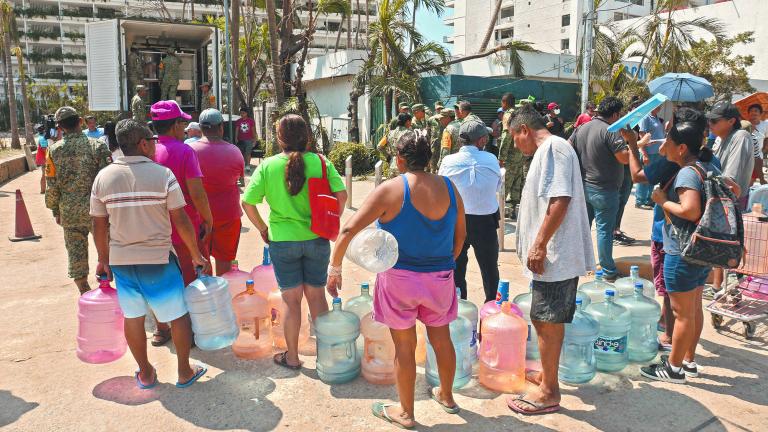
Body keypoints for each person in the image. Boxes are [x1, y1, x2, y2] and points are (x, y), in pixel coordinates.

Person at [327, 130, 466, 429]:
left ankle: (406, 413)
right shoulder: (450, 188)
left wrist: (335, 267)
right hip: (440, 277)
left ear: (400, 160)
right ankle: (447, 396)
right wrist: (444, 263)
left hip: (399, 280)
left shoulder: (391, 190)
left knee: (404, 347)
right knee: (441, 340)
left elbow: (349, 230)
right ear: (428, 157)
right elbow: (460, 236)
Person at [90, 118, 208, 390]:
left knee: (133, 317)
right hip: (158, 260)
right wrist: (195, 254)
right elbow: (180, 220)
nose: (155, 146)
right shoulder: (163, 175)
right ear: (143, 143)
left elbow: (99, 225)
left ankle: (145, 373)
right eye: (152, 141)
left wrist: (103, 259)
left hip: (122, 263)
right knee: (177, 315)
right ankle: (183, 371)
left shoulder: (103, 177)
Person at [242, 114, 347, 370]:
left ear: (279, 138)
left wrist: (262, 228)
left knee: (291, 301)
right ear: (307, 137)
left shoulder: (268, 166)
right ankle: (326, 356)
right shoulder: (321, 162)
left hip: (282, 242)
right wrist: (329, 220)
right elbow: (341, 196)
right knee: (316, 296)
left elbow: (248, 202)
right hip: (317, 238)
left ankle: (292, 357)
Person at [508, 104, 594, 414]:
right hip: (549, 256)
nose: (515, 145)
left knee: (546, 320)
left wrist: (540, 244)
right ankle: (547, 374)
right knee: (543, 317)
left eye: (513, 137)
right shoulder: (547, 152)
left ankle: (549, 392)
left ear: (524, 131)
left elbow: (561, 199)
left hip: (554, 256)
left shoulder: (555, 148)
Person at [640, 118, 719, 384]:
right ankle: (689, 360)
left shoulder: (686, 172)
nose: (666, 146)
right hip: (700, 250)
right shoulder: (706, 166)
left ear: (682, 147)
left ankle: (673, 369)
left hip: (681, 250)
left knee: (681, 313)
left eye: (669, 143)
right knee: (694, 309)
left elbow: (690, 210)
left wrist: (663, 201)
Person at [151, 100, 213, 346]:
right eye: (182, 123)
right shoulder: (185, 151)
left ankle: (161, 329)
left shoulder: (147, 151)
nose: (184, 127)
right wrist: (208, 219)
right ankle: (191, 331)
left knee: (159, 280)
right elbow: (196, 192)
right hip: (184, 225)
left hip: (155, 226)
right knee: (191, 277)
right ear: (176, 125)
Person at [45, 106, 112, 294]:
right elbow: (110, 181)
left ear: (59, 127)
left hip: (69, 213)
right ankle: (116, 294)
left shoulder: (53, 151)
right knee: (109, 253)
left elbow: (51, 184)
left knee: (76, 256)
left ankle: (85, 294)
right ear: (80, 121)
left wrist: (55, 210)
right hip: (98, 212)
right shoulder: (97, 146)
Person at [439, 120, 501, 302]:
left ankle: (459, 305)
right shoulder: (491, 159)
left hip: (455, 220)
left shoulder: (448, 161)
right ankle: (492, 305)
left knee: (456, 264)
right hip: (486, 221)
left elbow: (443, 187)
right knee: (489, 267)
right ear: (481, 141)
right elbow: (497, 186)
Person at [569, 96, 629, 282]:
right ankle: (608, 271)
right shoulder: (610, 131)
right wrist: (633, 144)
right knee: (604, 231)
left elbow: (569, 147)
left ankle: (576, 263)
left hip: (584, 187)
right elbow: (624, 158)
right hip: (605, 190)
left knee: (583, 228)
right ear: (616, 114)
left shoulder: (582, 128)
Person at [188, 109, 245, 276]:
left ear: (200, 128)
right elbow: (239, 178)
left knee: (200, 262)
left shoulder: (189, 150)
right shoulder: (235, 151)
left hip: (198, 217)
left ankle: (206, 299)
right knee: (225, 264)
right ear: (221, 127)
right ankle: (222, 298)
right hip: (228, 215)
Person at [635, 105, 667, 209]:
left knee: (653, 176)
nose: (660, 107)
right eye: (658, 105)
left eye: (661, 105)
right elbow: (642, 136)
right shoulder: (646, 117)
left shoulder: (656, 118)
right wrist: (644, 153)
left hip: (657, 152)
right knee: (645, 176)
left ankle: (649, 200)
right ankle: (640, 201)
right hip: (649, 152)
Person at [380, 113, 413, 178]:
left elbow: (380, 146)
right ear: (407, 121)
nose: (410, 124)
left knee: (393, 187)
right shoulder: (409, 133)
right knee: (403, 186)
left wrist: (388, 157)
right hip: (404, 165)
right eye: (410, 121)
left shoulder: (390, 133)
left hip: (392, 164)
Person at [746, 103, 767, 185]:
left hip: (758, 157)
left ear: (760, 113)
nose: (753, 113)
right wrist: (750, 128)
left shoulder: (765, 124)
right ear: (748, 114)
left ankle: (747, 195)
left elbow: (767, 138)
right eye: (751, 111)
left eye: (756, 111)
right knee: (746, 178)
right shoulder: (745, 124)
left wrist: (765, 149)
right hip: (746, 156)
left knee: (753, 179)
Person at [235, 107, 256, 175]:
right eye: (241, 113)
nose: (242, 114)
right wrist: (236, 138)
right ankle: (242, 165)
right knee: (241, 153)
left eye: (243, 113)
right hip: (240, 140)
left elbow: (253, 130)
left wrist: (254, 139)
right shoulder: (238, 121)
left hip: (249, 139)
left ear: (246, 113)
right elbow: (237, 130)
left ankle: (248, 165)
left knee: (248, 152)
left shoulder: (251, 121)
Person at [35, 124, 48, 194]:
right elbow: (44, 149)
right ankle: (43, 190)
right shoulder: (43, 138)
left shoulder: (40, 136)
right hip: (45, 159)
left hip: (43, 159)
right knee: (44, 174)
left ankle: (42, 190)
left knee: (44, 174)